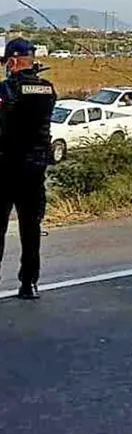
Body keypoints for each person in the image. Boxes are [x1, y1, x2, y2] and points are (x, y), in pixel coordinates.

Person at [0, 38, 56, 299]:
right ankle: (29, 284)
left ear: (12, 60)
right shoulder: (48, 89)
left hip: (7, 168)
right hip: (35, 169)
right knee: (30, 229)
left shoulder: (6, 90)